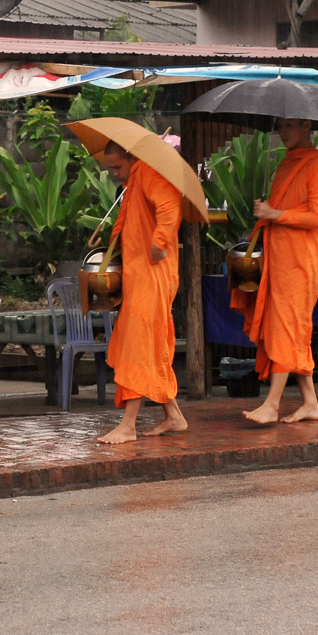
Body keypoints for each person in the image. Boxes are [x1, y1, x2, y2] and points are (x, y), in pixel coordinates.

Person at [234, 117, 318, 425]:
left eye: (289, 125)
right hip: (278, 259)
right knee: (292, 331)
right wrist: (268, 213)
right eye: (280, 125)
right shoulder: (284, 164)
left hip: (299, 261)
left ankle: (272, 403)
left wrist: (274, 213)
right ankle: (310, 403)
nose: (283, 132)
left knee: (286, 328)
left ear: (306, 125)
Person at [94, 141, 188, 445]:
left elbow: (169, 207)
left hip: (153, 272)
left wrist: (160, 241)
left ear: (133, 156)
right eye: (110, 169)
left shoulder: (150, 171)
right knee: (147, 344)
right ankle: (173, 415)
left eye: (118, 167)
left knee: (138, 344)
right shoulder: (135, 178)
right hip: (138, 274)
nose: (114, 175)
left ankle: (128, 424)